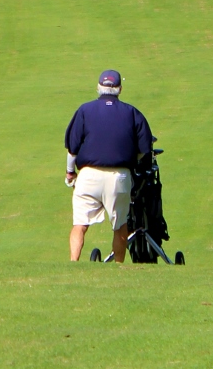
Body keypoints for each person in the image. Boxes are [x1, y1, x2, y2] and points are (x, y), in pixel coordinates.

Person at [64, 69, 153, 263]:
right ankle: (118, 269)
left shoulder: (84, 110)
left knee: (80, 224)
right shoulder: (132, 113)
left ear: (98, 87)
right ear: (120, 89)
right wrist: (132, 160)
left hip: (88, 176)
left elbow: (72, 149)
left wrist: (70, 173)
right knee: (120, 225)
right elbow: (144, 148)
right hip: (119, 176)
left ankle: (73, 264)